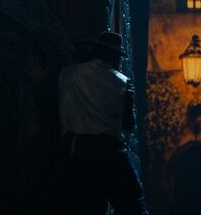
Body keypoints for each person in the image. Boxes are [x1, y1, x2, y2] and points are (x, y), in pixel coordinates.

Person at [58, 31, 149, 215]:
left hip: (76, 152)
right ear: (116, 57)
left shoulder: (68, 74)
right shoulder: (122, 83)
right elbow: (128, 124)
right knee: (132, 204)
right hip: (109, 152)